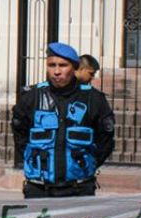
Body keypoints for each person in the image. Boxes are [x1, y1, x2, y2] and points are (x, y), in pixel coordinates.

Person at [11, 42, 115, 198]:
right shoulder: (31, 97)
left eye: (63, 65)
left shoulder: (93, 99)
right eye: (52, 65)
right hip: (39, 189)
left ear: (74, 67)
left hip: (79, 188)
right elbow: (20, 136)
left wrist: (86, 164)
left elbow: (105, 140)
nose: (57, 71)